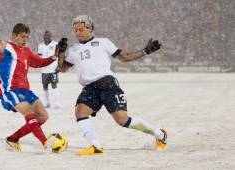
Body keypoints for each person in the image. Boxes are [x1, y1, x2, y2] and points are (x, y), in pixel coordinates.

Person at [57, 15, 168, 156]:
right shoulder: (73, 50)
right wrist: (60, 52)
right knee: (80, 112)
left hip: (107, 83)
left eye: (81, 29)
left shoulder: (103, 42)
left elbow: (124, 57)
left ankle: (160, 134)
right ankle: (95, 146)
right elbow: (62, 68)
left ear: (90, 28)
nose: (78, 32)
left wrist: (145, 51)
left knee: (123, 120)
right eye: (75, 30)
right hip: (89, 88)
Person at [0, 23, 56, 152]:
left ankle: (12, 139)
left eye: (27, 37)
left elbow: (40, 62)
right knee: (29, 113)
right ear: (14, 35)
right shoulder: (7, 47)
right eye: (22, 37)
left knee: (43, 116)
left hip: (25, 90)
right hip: (10, 90)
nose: (25, 40)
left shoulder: (26, 50)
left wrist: (55, 56)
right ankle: (45, 143)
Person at [37, 31, 60, 109]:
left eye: (48, 36)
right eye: (45, 36)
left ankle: (57, 103)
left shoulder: (56, 44)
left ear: (50, 36)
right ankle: (47, 103)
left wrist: (59, 66)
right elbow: (39, 57)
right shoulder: (40, 45)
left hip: (53, 69)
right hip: (44, 70)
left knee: (54, 85)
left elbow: (59, 56)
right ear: (43, 37)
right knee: (45, 86)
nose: (46, 38)